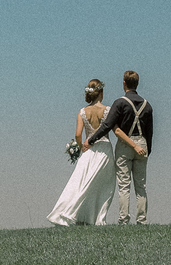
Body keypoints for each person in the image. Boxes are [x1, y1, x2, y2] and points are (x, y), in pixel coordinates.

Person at [82, 70, 152, 224]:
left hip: (125, 145)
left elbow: (107, 125)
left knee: (124, 186)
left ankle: (124, 220)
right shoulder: (147, 105)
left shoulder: (119, 103)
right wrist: (147, 150)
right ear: (137, 84)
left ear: (124, 83)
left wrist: (91, 140)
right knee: (141, 186)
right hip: (142, 145)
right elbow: (150, 132)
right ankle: (142, 220)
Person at [46, 79, 117, 226]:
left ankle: (75, 214)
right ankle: (97, 218)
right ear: (101, 93)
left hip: (89, 150)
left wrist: (80, 147)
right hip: (104, 150)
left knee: (80, 182)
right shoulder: (108, 110)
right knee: (103, 186)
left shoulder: (82, 112)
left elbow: (78, 134)